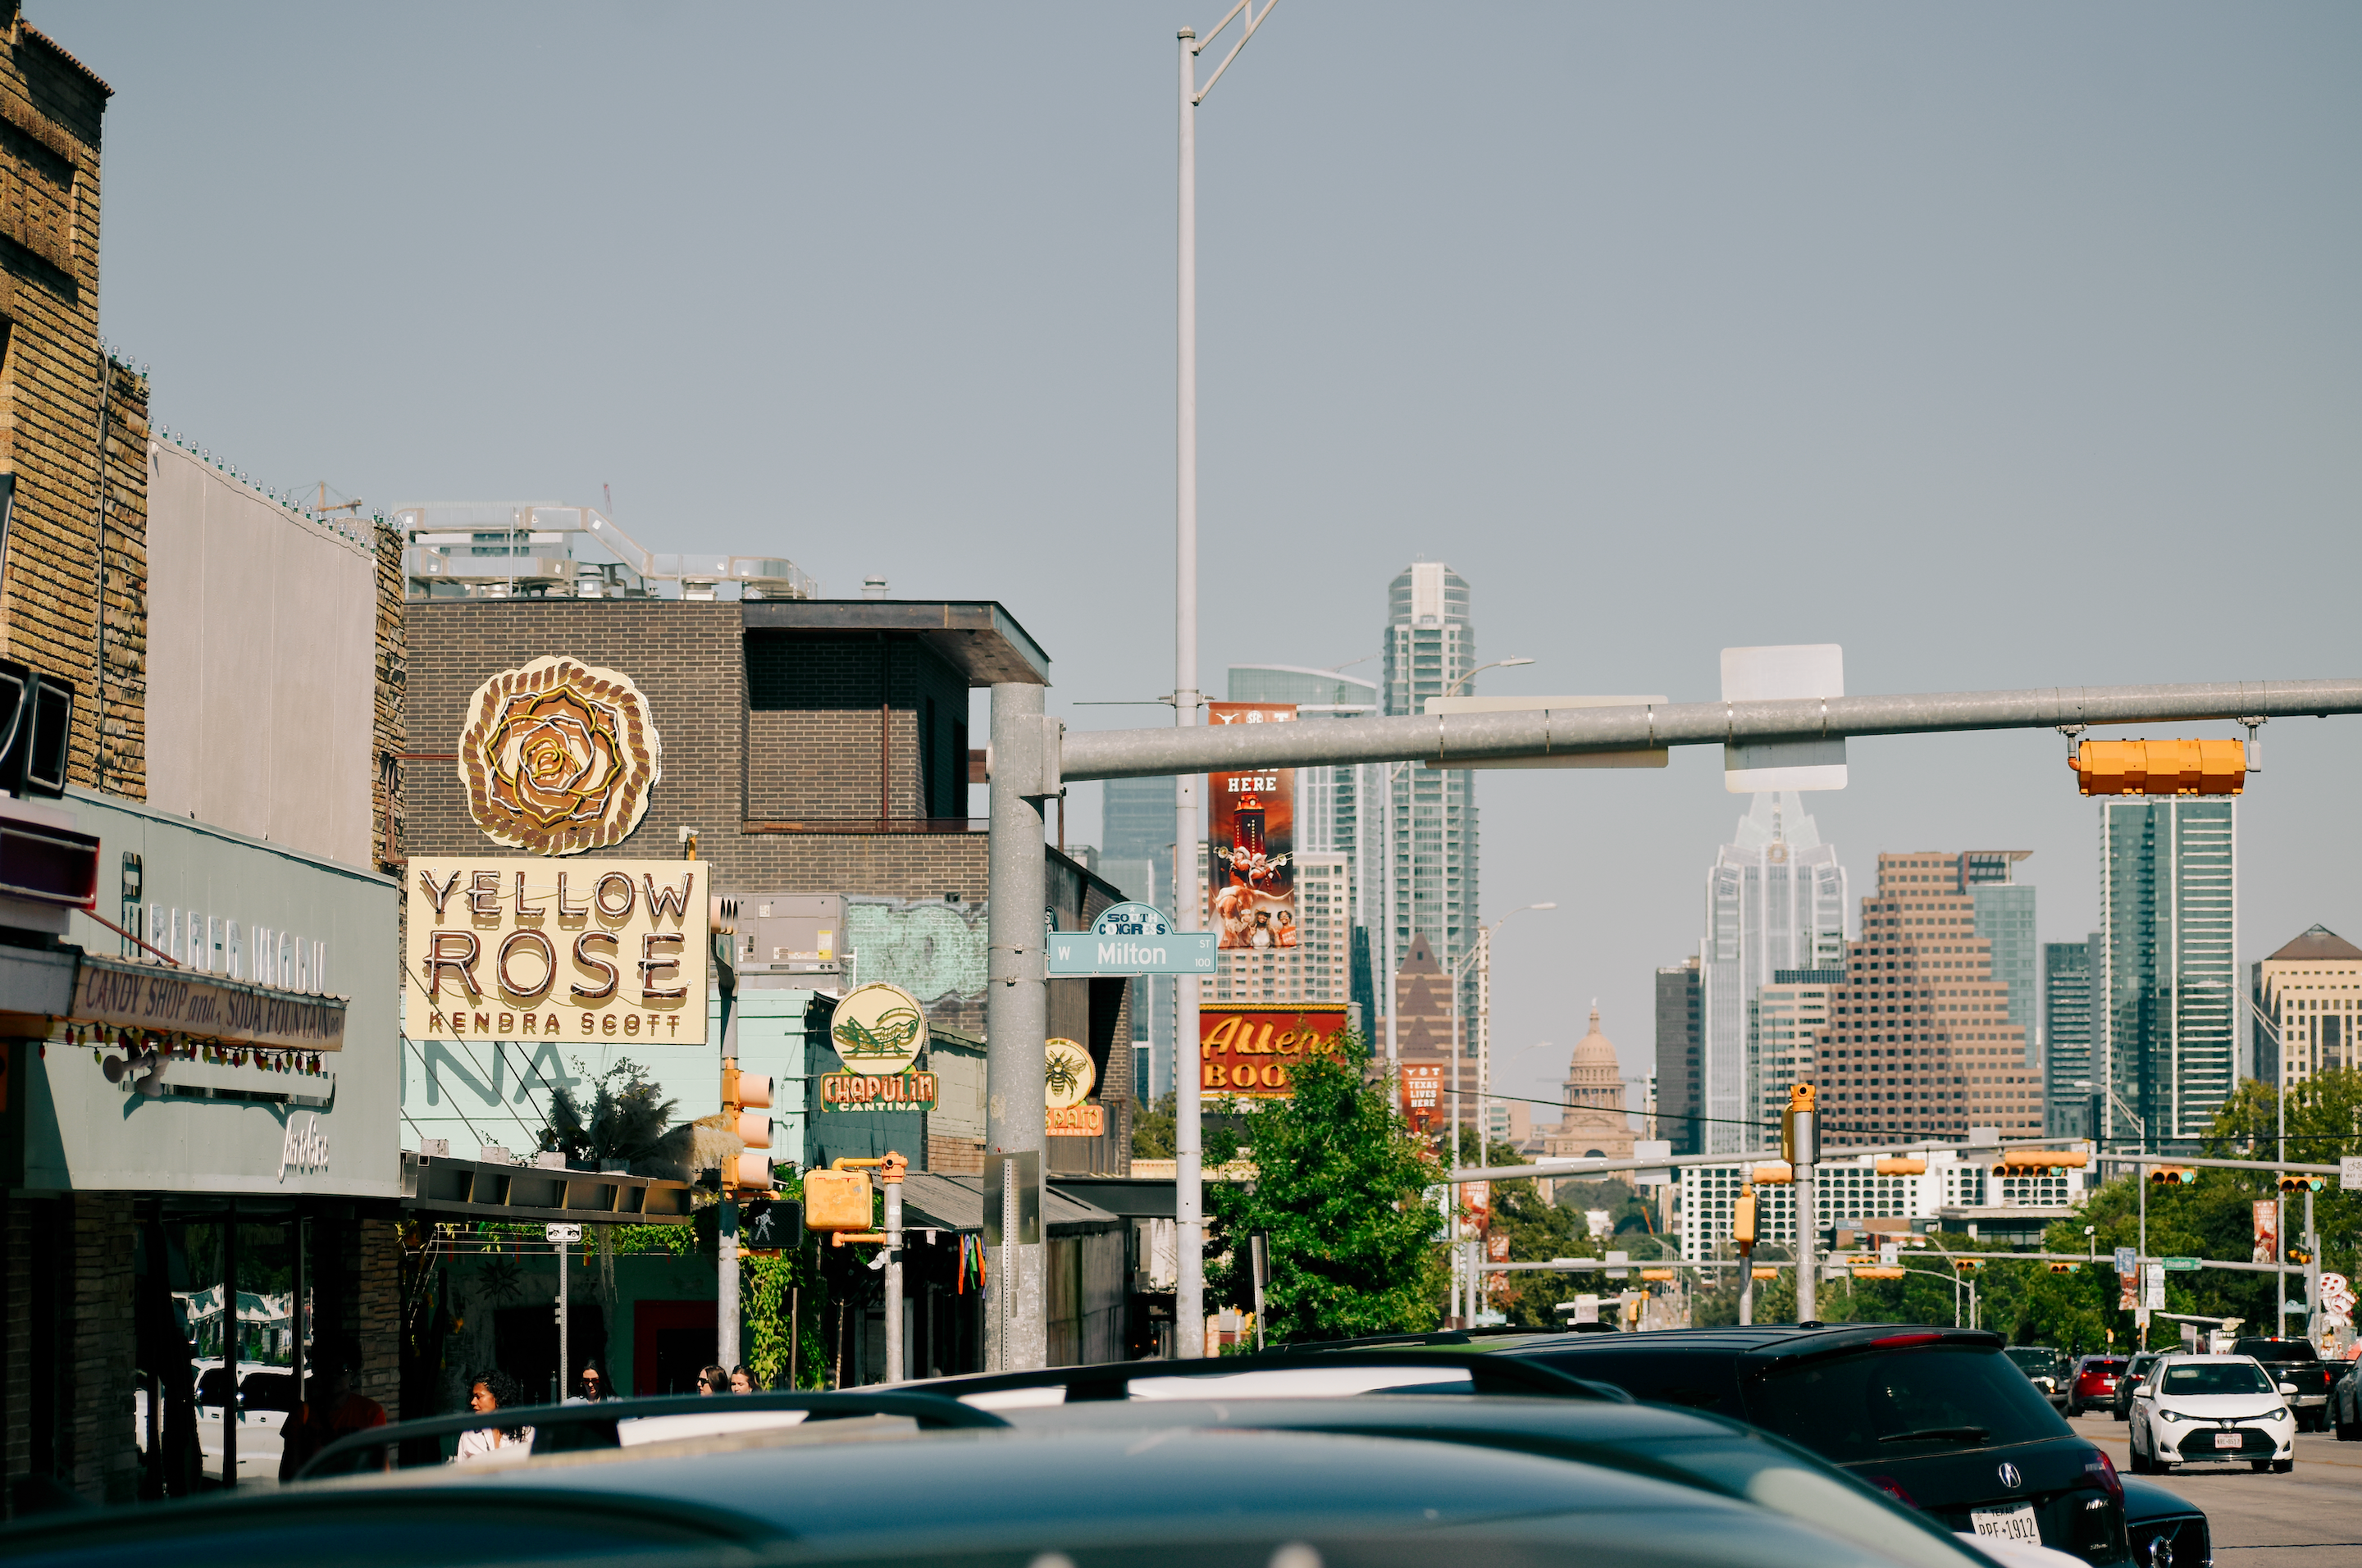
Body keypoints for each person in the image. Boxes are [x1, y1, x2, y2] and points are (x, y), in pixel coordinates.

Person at [277, 1344, 387, 1480]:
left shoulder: (371, 1413)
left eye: (342, 1369)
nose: (334, 1375)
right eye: (327, 1369)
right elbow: (289, 1474)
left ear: (353, 1373)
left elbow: (380, 1471)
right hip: (316, 1492)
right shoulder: (303, 1414)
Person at [453, 1369, 533, 1463]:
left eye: (478, 1397)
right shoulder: (470, 1434)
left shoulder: (525, 1433)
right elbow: (462, 1469)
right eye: (473, 1397)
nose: (473, 1402)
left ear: (498, 1398)